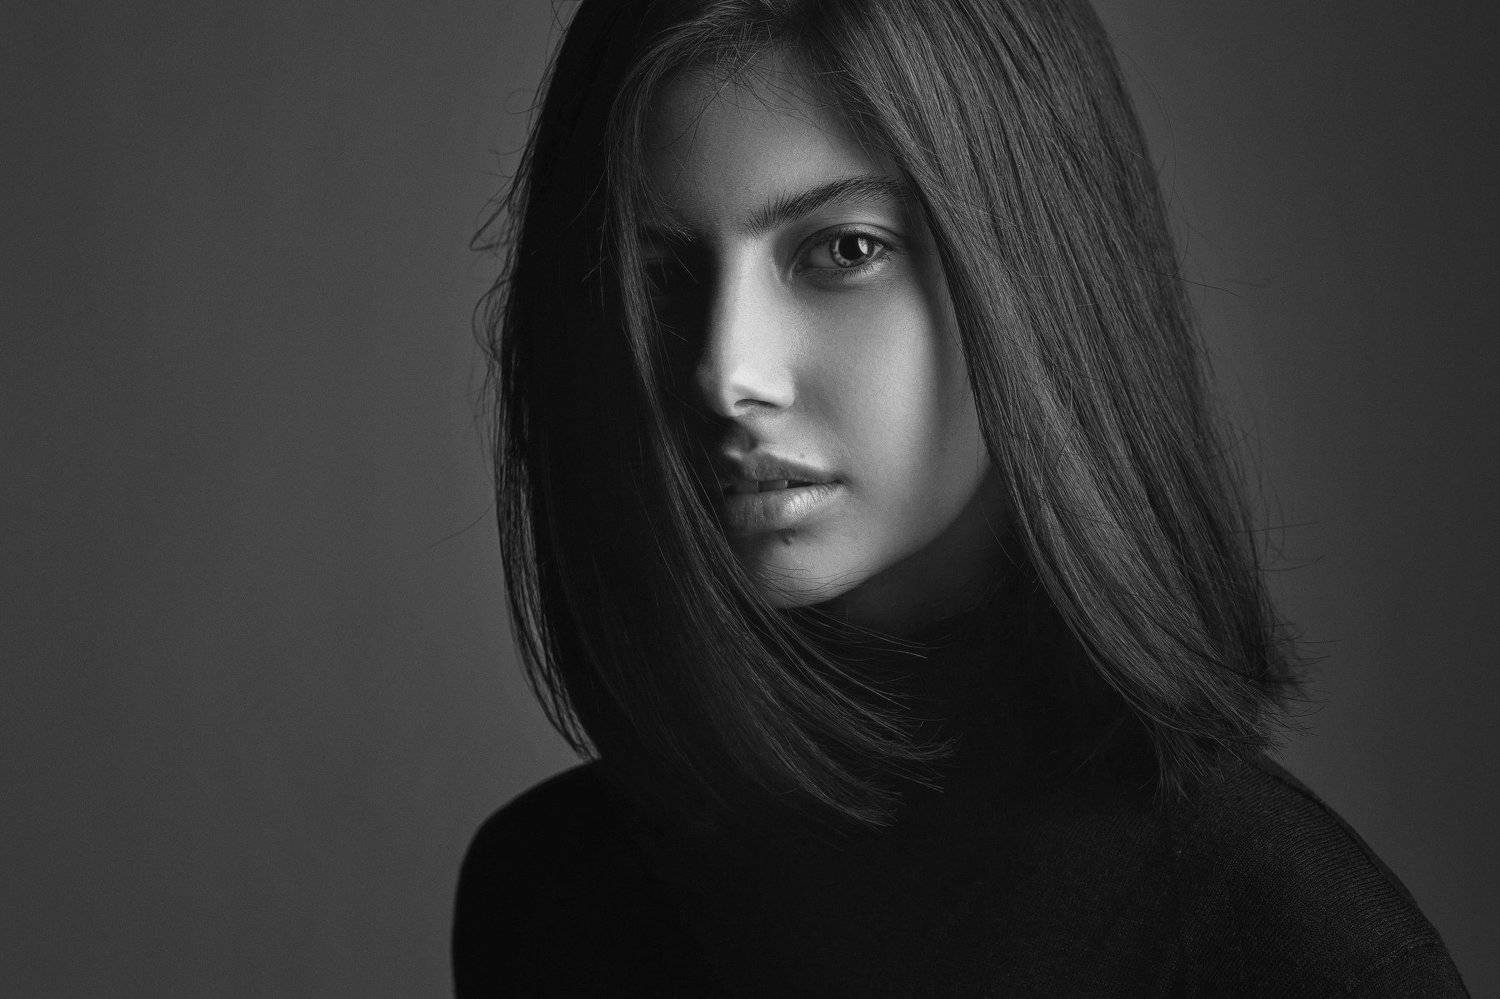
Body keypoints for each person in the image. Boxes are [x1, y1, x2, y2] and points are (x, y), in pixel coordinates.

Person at [453, 0, 1469, 994]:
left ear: (1035, 269)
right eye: (661, 272)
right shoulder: (551, 891)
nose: (727, 373)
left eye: (843, 250)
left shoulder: (1285, 942)